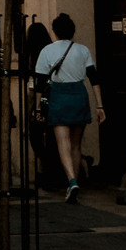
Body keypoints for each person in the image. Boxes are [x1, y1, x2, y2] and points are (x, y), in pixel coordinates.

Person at [33, 13, 105, 203]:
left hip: (59, 95)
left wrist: (38, 108)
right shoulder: (83, 50)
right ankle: (74, 183)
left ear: (55, 31)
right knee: (76, 144)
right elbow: (94, 79)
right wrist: (100, 105)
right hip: (79, 94)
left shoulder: (47, 51)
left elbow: (40, 83)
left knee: (62, 143)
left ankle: (71, 180)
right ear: (72, 31)